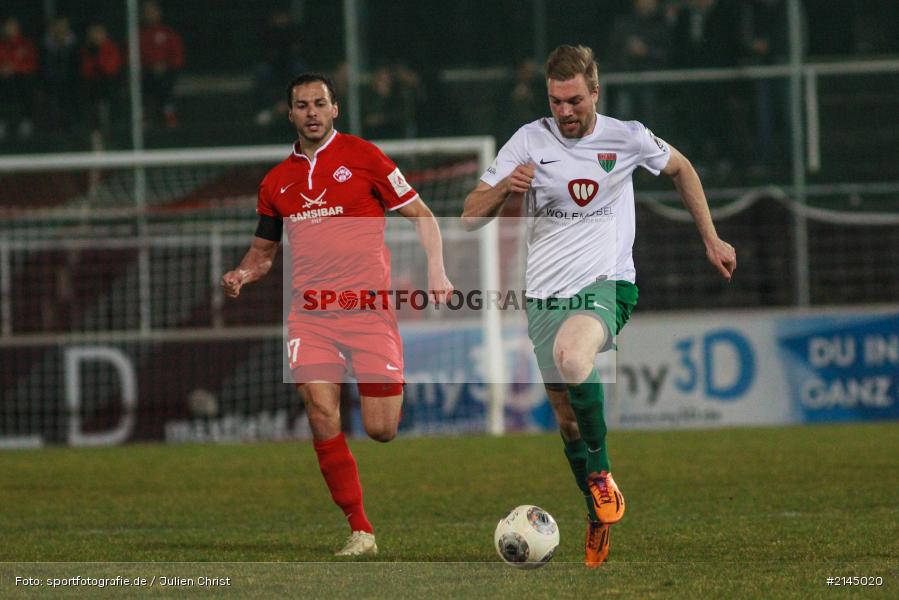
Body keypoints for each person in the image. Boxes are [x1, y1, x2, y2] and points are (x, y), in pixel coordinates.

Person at [461, 44, 736, 568]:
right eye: (555, 101)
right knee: (566, 422)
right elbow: (471, 216)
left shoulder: (627, 136)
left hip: (608, 285)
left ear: (594, 93)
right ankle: (595, 514)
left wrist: (711, 238)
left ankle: (603, 473)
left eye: (573, 101)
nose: (564, 111)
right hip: (543, 294)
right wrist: (504, 190)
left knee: (572, 355)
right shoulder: (527, 140)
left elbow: (682, 169)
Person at [221, 73, 452, 557]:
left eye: (319, 103)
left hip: (367, 311)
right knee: (320, 410)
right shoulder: (275, 182)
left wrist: (437, 272)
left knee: (381, 428)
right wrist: (244, 273)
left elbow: (424, 216)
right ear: (290, 114)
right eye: (301, 105)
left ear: (334, 109)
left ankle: (364, 508)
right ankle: (360, 529)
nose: (311, 112)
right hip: (310, 315)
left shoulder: (365, 157)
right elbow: (263, 253)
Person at [139, 0, 184, 129]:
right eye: (146, 11)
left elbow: (177, 56)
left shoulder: (168, 33)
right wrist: (147, 67)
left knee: (164, 84)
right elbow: (132, 56)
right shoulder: (139, 34)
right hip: (146, 73)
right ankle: (143, 119)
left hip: (167, 72)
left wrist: (165, 65)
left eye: (152, 11)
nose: (149, 14)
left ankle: (168, 116)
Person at [0, 16, 39, 142]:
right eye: (7, 27)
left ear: (18, 28)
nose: (9, 30)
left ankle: (26, 120)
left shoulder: (26, 44)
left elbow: (32, 64)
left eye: (13, 27)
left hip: (20, 81)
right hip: (3, 80)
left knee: (27, 82)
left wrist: (14, 69)